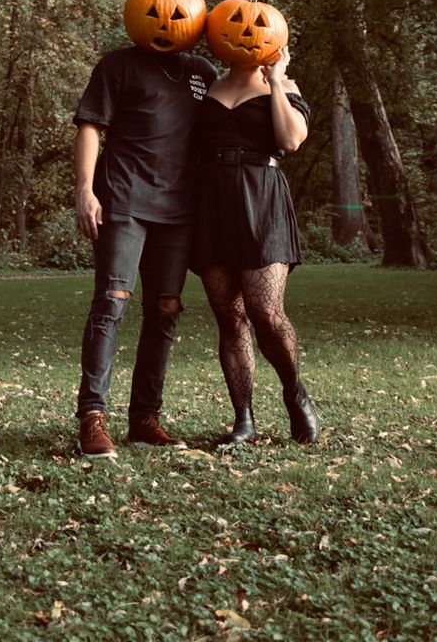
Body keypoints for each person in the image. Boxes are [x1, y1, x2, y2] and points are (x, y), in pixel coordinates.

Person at [74, 43, 217, 458]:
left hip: (179, 209)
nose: (168, 18)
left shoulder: (202, 71)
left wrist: (276, 76)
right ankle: (92, 416)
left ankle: (144, 419)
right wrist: (85, 189)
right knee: (112, 301)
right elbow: (89, 125)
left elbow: (234, 115)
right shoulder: (119, 64)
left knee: (165, 308)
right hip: (123, 200)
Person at [192, 45, 320, 446]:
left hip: (261, 197)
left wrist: (276, 78)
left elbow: (291, 141)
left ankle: (295, 392)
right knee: (229, 317)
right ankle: (242, 418)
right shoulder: (207, 86)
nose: (245, 36)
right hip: (212, 201)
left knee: (265, 311)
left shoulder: (284, 85)